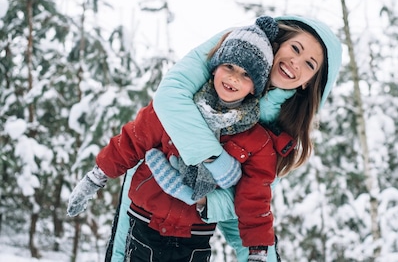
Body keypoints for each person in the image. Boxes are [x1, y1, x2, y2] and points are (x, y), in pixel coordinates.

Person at [105, 15, 343, 262]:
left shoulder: (282, 129)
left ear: (310, 82)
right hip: (146, 188)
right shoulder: (236, 48)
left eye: (310, 64)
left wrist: (202, 199)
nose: (296, 62)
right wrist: (214, 158)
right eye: (295, 48)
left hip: (194, 225)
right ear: (278, 44)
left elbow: (252, 203)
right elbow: (169, 97)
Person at [67, 16, 291, 261]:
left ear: (255, 87)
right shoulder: (178, 109)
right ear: (216, 67)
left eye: (246, 74)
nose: (234, 78)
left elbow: (254, 197)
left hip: (194, 238)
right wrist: (95, 177)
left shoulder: (256, 141)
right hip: (145, 224)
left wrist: (257, 251)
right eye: (229, 67)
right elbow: (132, 140)